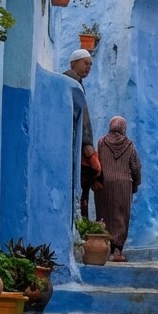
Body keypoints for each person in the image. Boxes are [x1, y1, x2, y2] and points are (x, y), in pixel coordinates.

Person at [94, 116, 141, 262]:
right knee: (121, 216)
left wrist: (96, 180)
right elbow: (135, 167)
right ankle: (118, 251)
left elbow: (98, 162)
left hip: (105, 184)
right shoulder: (129, 145)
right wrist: (136, 184)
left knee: (104, 214)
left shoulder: (101, 142)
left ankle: (103, 248)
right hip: (124, 185)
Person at [63, 49, 94, 216]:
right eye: (85, 63)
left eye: (90, 64)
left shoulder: (77, 83)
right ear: (73, 63)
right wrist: (87, 143)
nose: (88, 67)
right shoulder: (70, 82)